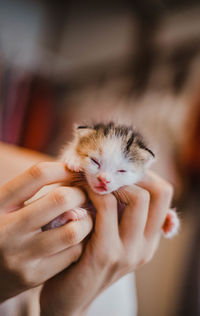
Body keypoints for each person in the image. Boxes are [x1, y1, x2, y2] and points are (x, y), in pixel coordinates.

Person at [0, 142, 173, 315]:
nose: (104, 177)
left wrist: (66, 311)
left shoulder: (113, 246)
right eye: (96, 163)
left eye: (120, 171)